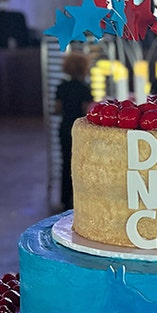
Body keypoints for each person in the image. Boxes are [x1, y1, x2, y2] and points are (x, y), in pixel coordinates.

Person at [54, 51, 92, 210]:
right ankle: (78, 199)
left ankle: (64, 199)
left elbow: (56, 109)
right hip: (79, 130)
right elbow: (87, 111)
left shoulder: (61, 87)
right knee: (80, 163)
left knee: (65, 163)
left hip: (64, 127)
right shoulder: (85, 88)